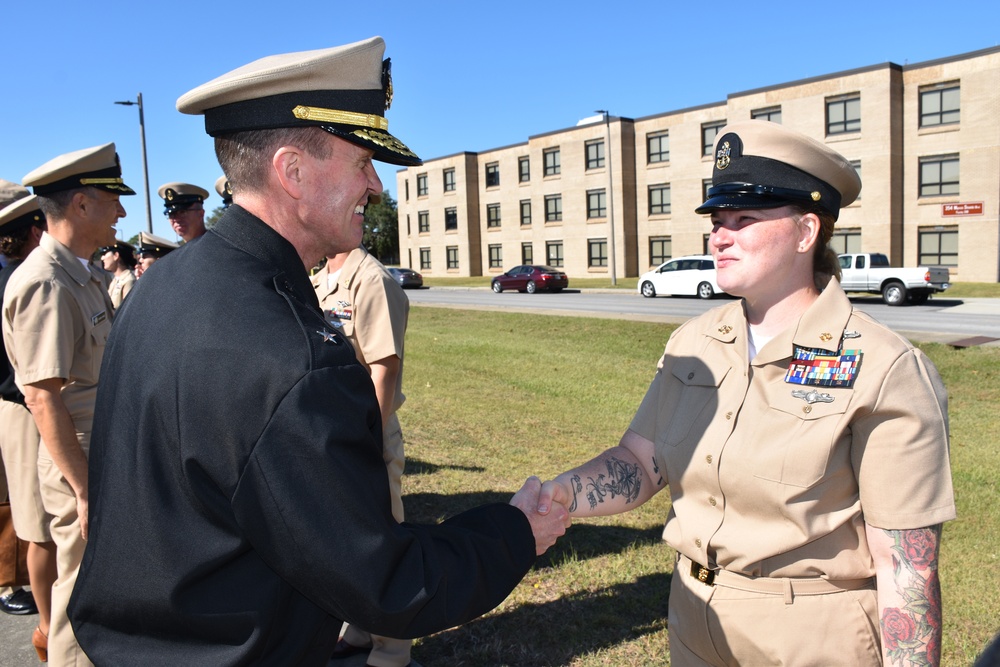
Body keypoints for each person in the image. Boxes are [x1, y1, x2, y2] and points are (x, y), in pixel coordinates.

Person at [68, 36, 568, 666]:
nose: (377, 187)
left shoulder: (165, 285)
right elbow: (389, 584)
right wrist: (516, 531)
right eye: (362, 162)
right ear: (292, 172)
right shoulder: (292, 357)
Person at [537, 121, 956, 666]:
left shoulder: (885, 368)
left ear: (807, 232)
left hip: (810, 638)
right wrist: (561, 493)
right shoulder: (696, 341)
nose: (719, 236)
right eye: (717, 221)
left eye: (744, 220)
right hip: (695, 619)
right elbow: (641, 462)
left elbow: (906, 567)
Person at [4, 143, 132, 666]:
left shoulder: (77, 273)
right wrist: (83, 489)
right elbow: (41, 397)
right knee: (81, 599)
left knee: (98, 591)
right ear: (81, 205)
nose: (122, 212)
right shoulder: (47, 283)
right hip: (77, 459)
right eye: (113, 200)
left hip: (94, 449)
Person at [313, 246, 413, 667]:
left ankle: (393, 651)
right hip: (332, 430)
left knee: (381, 543)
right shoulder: (320, 275)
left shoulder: (371, 279)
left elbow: (384, 368)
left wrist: (365, 442)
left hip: (365, 432)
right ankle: (359, 630)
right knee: (347, 543)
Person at [0, 191, 56, 663]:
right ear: (36, 229)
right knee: (36, 521)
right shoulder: (22, 280)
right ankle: (46, 629)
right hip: (23, 408)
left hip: (27, 404)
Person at [99, 240, 136, 308]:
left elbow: (128, 311)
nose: (102, 258)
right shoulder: (116, 280)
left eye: (104, 254)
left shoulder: (129, 280)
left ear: (116, 256)